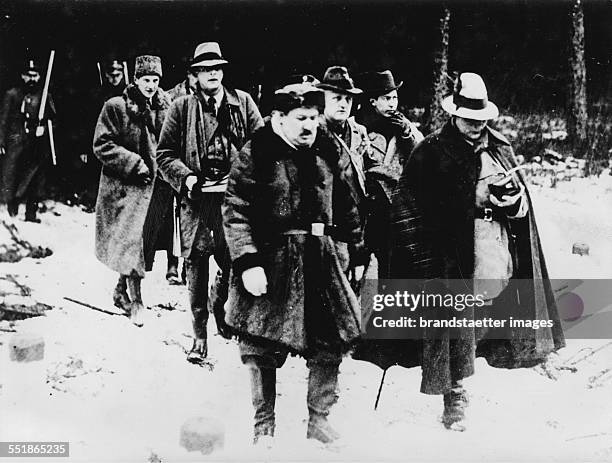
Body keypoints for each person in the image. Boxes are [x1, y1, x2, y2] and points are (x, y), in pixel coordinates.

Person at [389, 72, 564, 430]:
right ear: (454, 114)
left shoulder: (499, 147)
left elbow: (521, 203)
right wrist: (423, 250)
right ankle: (454, 396)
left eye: (481, 120)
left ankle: (516, 357)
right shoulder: (431, 151)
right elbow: (406, 205)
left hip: (492, 246)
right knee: (452, 321)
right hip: (449, 252)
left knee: (487, 315)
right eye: (469, 119)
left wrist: (513, 203)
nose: (475, 126)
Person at [222, 77, 366, 445]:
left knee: (331, 341)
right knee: (259, 344)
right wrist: (247, 261)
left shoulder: (331, 149)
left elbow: (350, 204)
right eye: (301, 117)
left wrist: (356, 250)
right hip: (270, 261)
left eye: (315, 117)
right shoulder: (257, 151)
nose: (309, 126)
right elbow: (235, 210)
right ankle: (263, 425)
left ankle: (318, 421)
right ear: (279, 117)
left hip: (322, 257)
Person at [157, 42, 263, 363]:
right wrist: (186, 178)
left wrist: (245, 177)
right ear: (196, 75)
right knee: (196, 265)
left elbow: (262, 146)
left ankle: (223, 306)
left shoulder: (243, 103)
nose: (213, 74)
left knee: (234, 261)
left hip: (233, 202)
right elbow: (164, 154)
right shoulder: (181, 109)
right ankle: (199, 335)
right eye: (206, 70)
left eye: (217, 68)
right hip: (197, 201)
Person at [93, 55, 170, 327]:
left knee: (141, 245)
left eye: (155, 80)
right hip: (123, 188)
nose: (151, 85)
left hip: (154, 186)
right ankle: (136, 302)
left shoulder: (165, 107)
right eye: (146, 79)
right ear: (135, 80)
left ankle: (119, 291)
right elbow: (102, 145)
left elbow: (170, 142)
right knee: (133, 243)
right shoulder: (116, 107)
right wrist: (133, 163)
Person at [355, 70, 423, 277]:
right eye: (387, 98)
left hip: (396, 207)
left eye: (395, 98)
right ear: (373, 101)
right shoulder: (359, 126)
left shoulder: (404, 126)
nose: (393, 103)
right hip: (367, 207)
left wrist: (407, 134)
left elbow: (421, 158)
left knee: (397, 266)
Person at [0, 59, 56, 222]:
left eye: (35, 75)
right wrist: (1, 141)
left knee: (36, 177)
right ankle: (13, 202)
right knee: (13, 172)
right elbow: (3, 119)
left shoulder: (45, 95)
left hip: (36, 142)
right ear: (22, 76)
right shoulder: (12, 94)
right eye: (28, 75)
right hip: (16, 140)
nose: (32, 79)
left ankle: (31, 212)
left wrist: (44, 127)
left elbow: (54, 119)